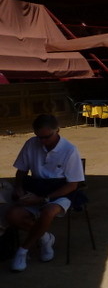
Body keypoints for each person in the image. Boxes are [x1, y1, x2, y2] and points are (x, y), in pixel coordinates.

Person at [6, 114, 85, 272]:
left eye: (46, 137)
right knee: (12, 215)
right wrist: (19, 188)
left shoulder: (70, 150)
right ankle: (45, 237)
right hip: (36, 187)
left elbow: (73, 185)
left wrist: (43, 198)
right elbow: (21, 171)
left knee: (48, 211)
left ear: (58, 131)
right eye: (38, 137)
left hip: (60, 191)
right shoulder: (31, 143)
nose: (42, 141)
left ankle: (23, 250)